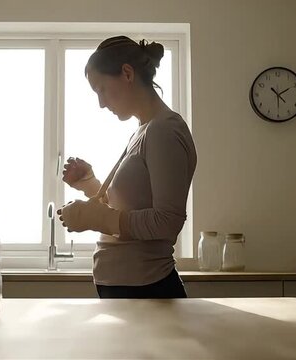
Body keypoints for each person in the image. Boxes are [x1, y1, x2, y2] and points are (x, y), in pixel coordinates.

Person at [57, 35, 197, 299]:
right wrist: (91, 185)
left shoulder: (164, 129)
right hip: (132, 291)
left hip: (149, 291)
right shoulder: (144, 131)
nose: (101, 103)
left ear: (127, 73)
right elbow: (131, 210)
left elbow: (166, 222)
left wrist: (95, 218)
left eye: (101, 89)